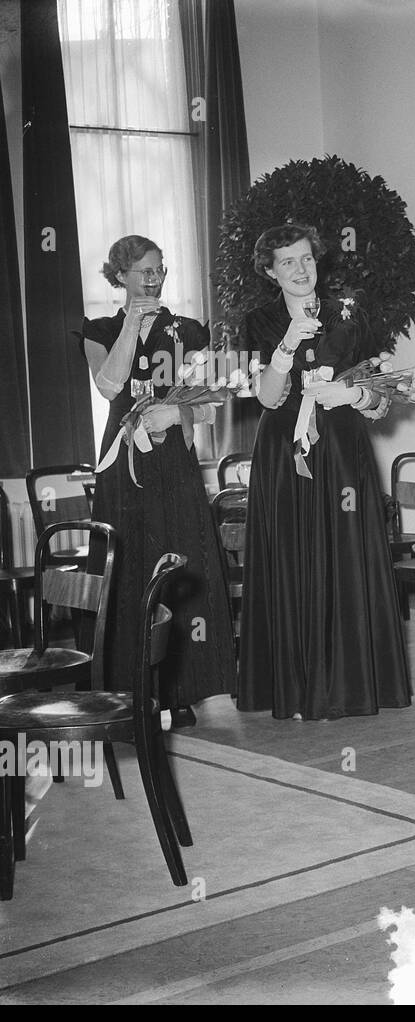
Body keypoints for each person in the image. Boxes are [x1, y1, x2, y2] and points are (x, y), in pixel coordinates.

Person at [236, 223, 410, 720]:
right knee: (291, 555)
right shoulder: (260, 321)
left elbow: (381, 403)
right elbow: (267, 398)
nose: (299, 269)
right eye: (287, 262)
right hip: (284, 454)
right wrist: (287, 346)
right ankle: (293, 686)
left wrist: (355, 394)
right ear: (271, 272)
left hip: (340, 450)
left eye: (306, 259)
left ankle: (349, 686)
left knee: (346, 552)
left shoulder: (347, 316)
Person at [80, 235, 234, 725]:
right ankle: (131, 691)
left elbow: (213, 402)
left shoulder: (188, 330)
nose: (153, 278)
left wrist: (176, 414)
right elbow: (108, 386)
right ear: (119, 275)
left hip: (173, 461)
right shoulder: (99, 328)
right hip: (123, 467)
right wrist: (130, 325)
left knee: (182, 562)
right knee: (131, 566)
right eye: (142, 270)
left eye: (160, 269)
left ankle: (186, 690)